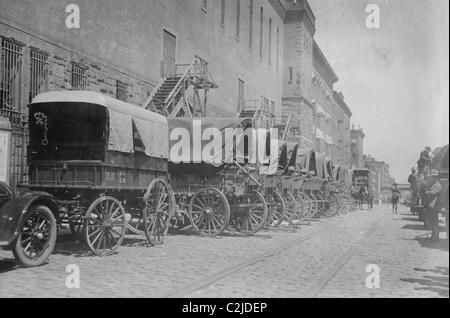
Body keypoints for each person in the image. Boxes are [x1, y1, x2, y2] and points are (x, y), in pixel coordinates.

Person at [424, 169, 442, 242]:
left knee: (434, 221)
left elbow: (432, 193)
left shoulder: (438, 185)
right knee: (431, 221)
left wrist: (427, 192)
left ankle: (436, 237)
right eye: (431, 177)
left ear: (436, 177)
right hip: (430, 205)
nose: (432, 178)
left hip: (434, 206)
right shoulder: (433, 185)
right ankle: (433, 235)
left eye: (433, 177)